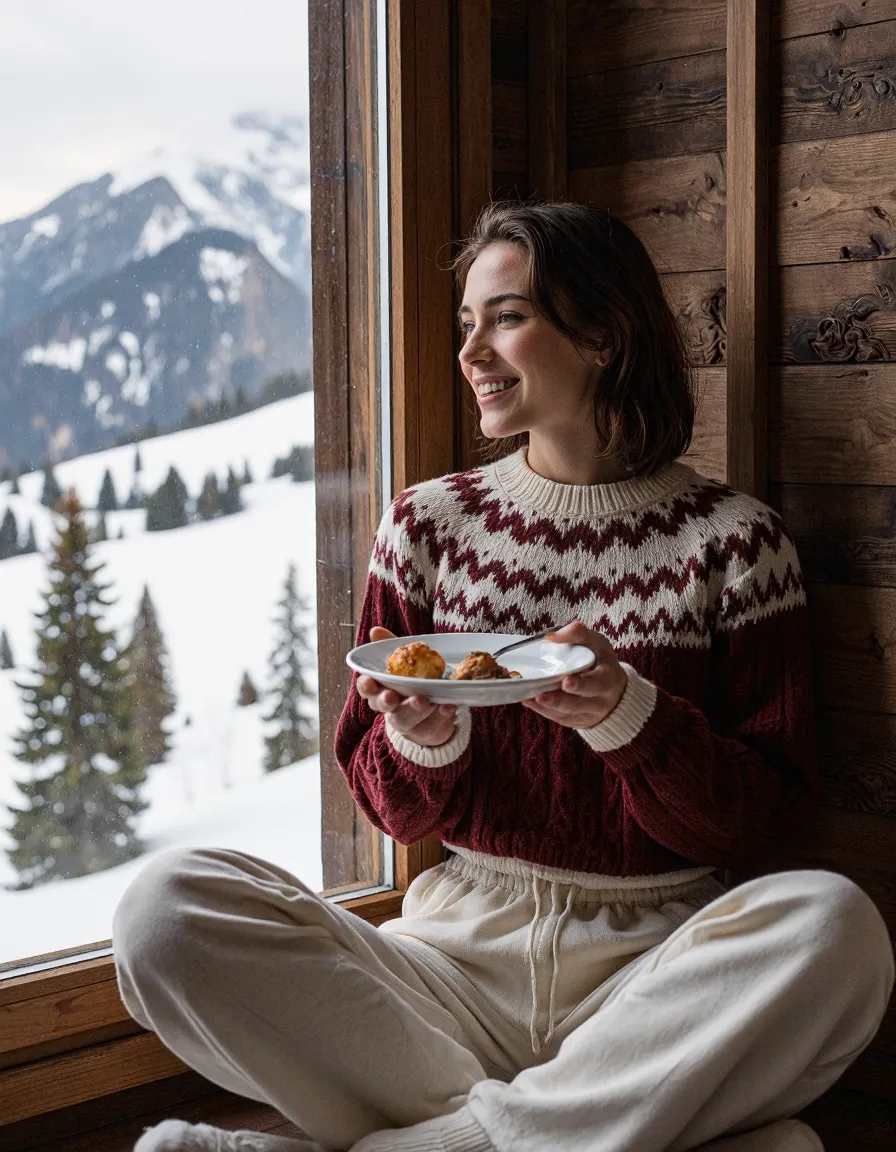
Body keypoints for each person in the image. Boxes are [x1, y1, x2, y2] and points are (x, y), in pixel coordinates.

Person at [116, 203, 894, 1152]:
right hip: (447, 972)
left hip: (647, 988)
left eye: (508, 317)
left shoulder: (735, 544)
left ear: (604, 332)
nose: (472, 350)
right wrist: (424, 738)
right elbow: (392, 810)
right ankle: (564, 1133)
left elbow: (756, 816)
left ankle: (446, 1143)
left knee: (835, 927)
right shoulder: (427, 526)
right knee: (163, 915)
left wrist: (630, 716)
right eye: (466, 324)